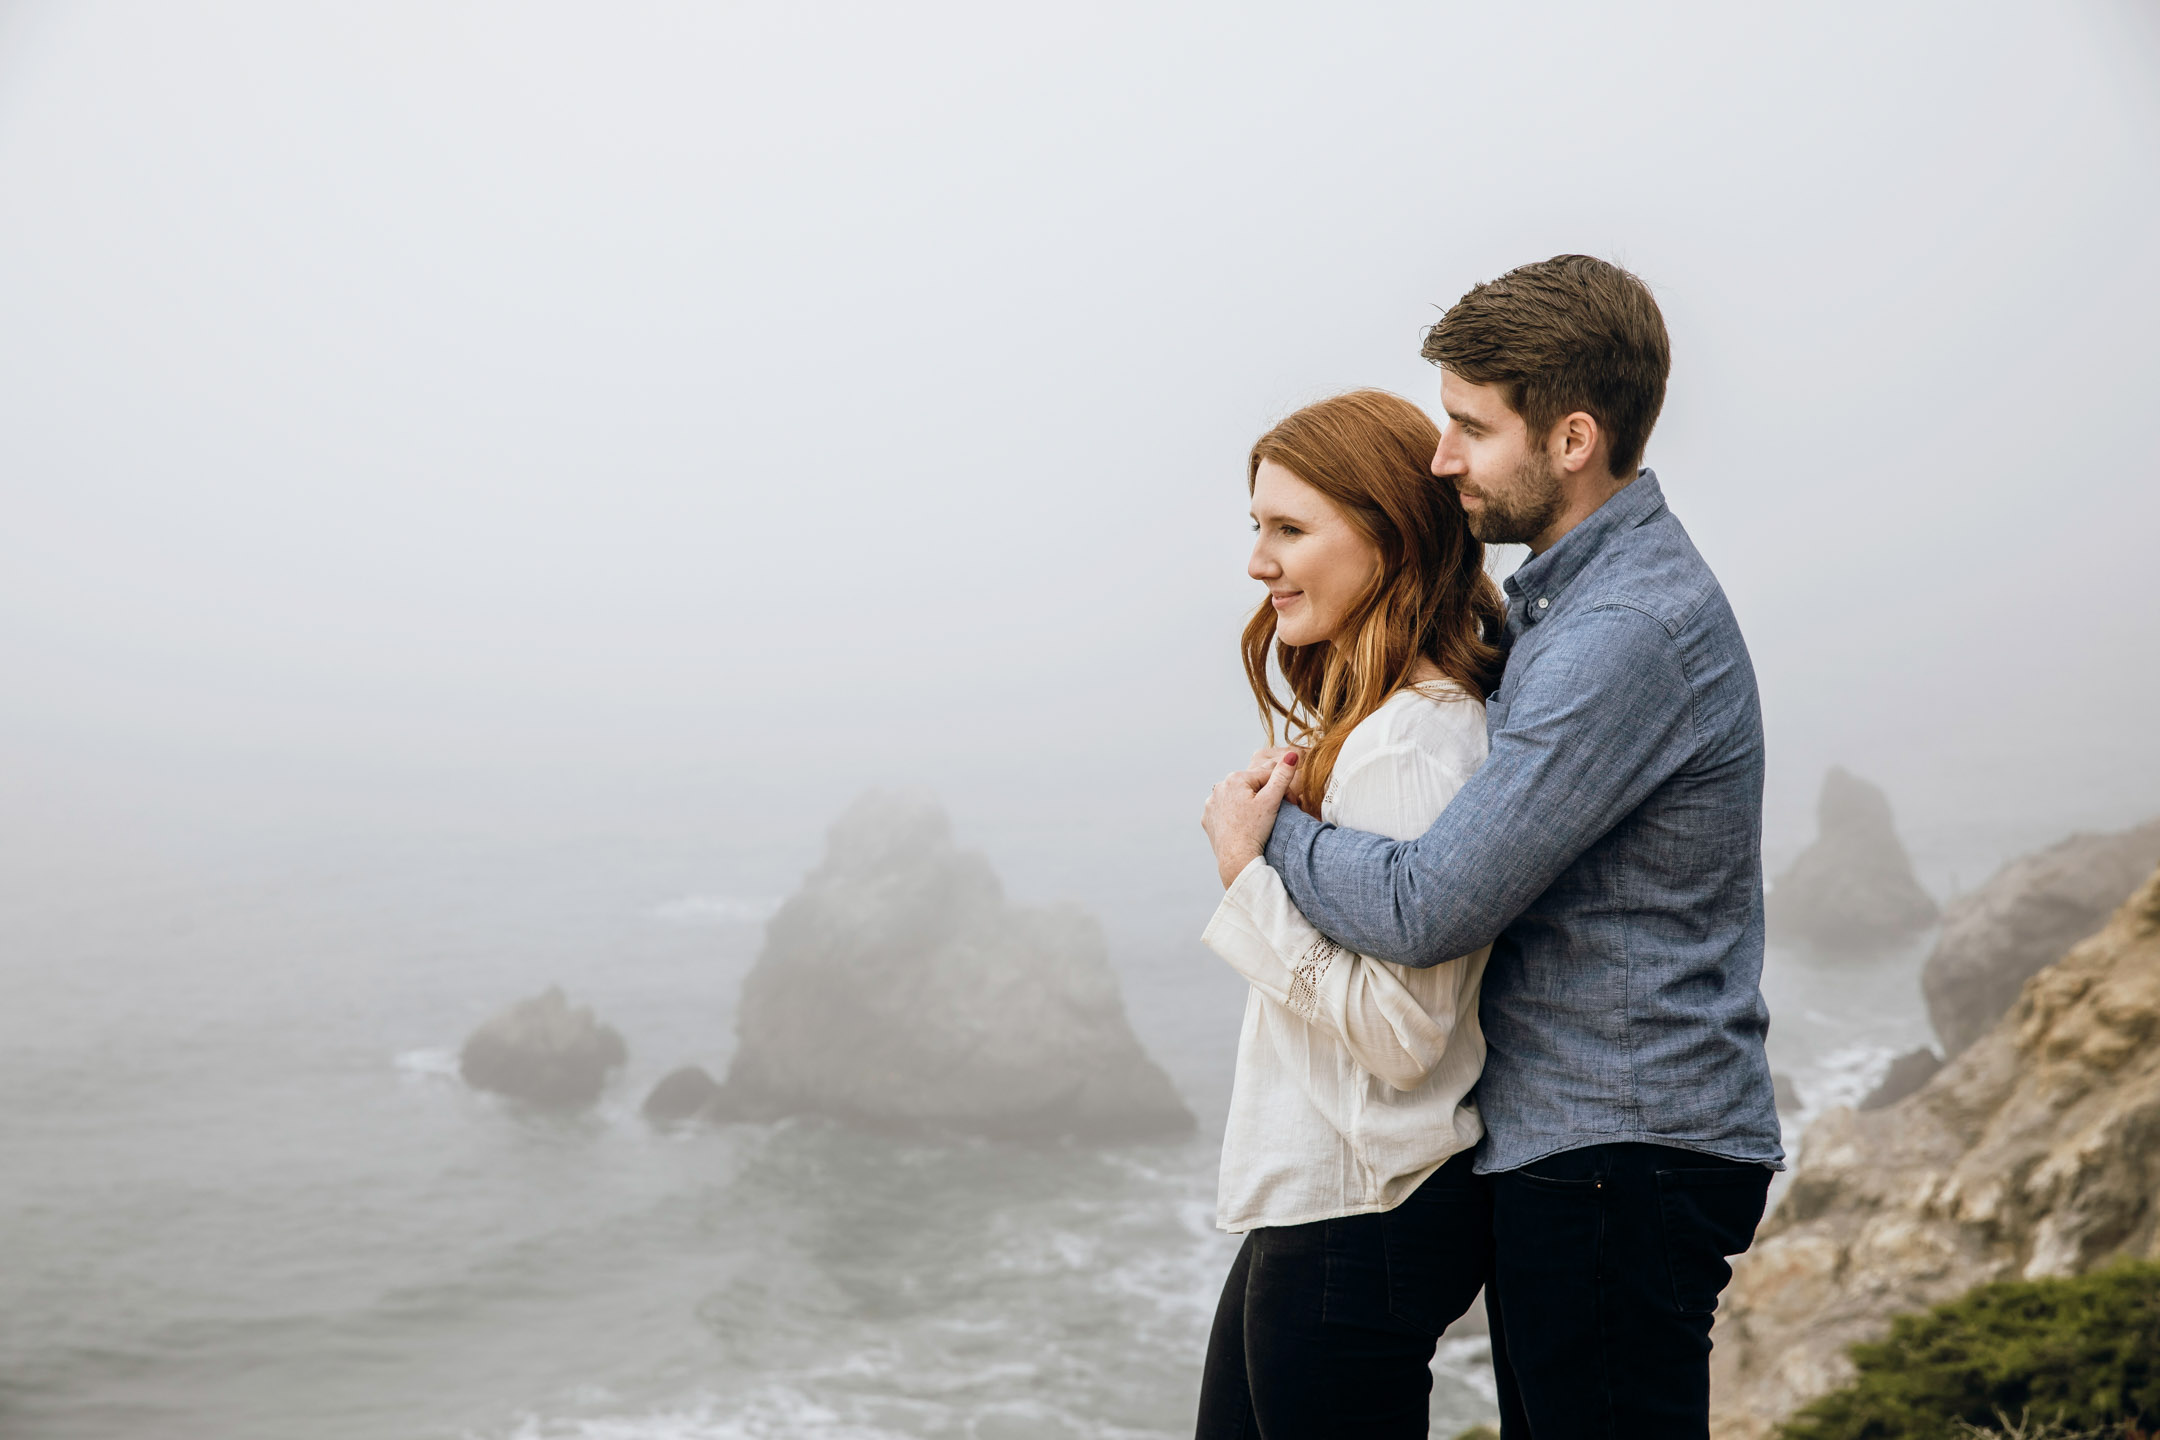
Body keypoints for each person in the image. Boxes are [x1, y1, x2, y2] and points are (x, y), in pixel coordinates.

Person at [1203, 255, 1784, 1439]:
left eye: (1471, 426)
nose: (1442, 458)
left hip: (1625, 1139)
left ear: (1573, 440)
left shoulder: (1619, 630)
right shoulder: (1566, 607)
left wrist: (1266, 848)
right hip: (1592, 1138)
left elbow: (1430, 905)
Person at [1194, 389, 1507, 1439]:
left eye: (1290, 529)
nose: (1258, 563)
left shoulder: (1415, 742)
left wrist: (1248, 875)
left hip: (1360, 1210)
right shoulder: (1375, 731)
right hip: (1328, 1206)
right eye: (1257, 528)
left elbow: (1403, 1034)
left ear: (1385, 531)